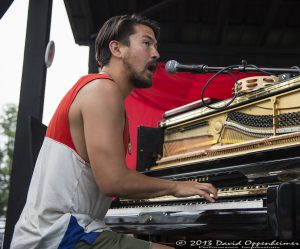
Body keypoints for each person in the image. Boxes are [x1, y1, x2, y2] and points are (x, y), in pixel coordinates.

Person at [11, 14, 218, 249]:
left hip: (69, 229)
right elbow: (113, 181)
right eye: (146, 43)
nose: (156, 54)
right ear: (117, 49)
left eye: (156, 46)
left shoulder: (105, 95)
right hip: (58, 234)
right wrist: (177, 186)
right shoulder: (102, 89)